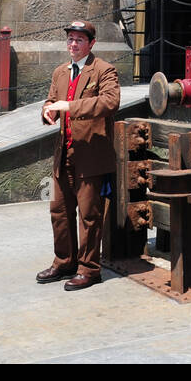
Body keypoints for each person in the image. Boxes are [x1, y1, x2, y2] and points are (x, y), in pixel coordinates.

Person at [36, 20, 119, 291]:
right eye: (70, 39)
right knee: (58, 210)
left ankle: (89, 269)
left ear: (91, 43)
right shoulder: (60, 72)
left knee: (89, 215)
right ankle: (65, 262)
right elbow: (51, 100)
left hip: (91, 156)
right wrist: (48, 111)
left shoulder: (104, 70)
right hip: (64, 154)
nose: (73, 44)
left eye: (79, 40)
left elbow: (110, 102)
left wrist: (69, 106)